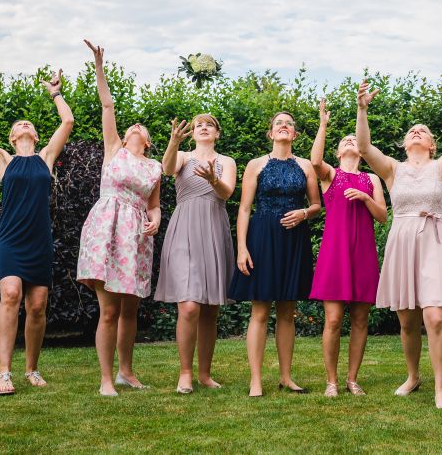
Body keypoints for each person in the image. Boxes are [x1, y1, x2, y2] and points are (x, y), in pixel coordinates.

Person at [356, 78, 442, 409]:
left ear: (432, 144)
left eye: (423, 131)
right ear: (404, 144)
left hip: (434, 242)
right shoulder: (392, 169)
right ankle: (413, 376)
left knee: (435, 316)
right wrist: (362, 110)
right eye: (412, 131)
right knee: (408, 321)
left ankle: (441, 387)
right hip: (403, 242)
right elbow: (364, 148)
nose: (417, 132)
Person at [0, 70, 73, 396]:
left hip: (39, 241)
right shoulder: (4, 160)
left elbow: (67, 122)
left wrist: (55, 94)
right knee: (10, 294)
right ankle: (3, 373)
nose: (24, 125)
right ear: (12, 137)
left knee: (37, 305)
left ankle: (31, 369)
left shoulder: (46, 158)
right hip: (10, 240)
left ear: (36, 136)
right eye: (18, 125)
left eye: (29, 124)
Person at [76, 40, 163, 397]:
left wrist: (155, 219)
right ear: (125, 137)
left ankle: (126, 371)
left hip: (137, 235)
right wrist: (99, 67)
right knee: (109, 310)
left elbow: (154, 204)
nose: (135, 127)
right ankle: (106, 379)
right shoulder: (114, 150)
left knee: (130, 310)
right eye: (131, 127)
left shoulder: (155, 167)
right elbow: (108, 105)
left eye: (141, 128)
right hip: (108, 229)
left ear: (148, 141)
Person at [228, 112, 322, 397]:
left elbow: (316, 205)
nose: (284, 125)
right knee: (259, 309)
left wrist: (304, 213)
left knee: (287, 311)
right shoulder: (256, 164)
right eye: (279, 123)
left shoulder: (305, 165)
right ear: (271, 133)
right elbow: (244, 208)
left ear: (294, 134)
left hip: (294, 239)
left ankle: (286, 377)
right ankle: (255, 380)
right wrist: (241, 248)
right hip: (262, 237)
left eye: (289, 124)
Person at [309, 98, 387, 397]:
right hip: (335, 252)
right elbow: (315, 162)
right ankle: (331, 380)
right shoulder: (331, 175)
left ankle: (352, 379)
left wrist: (366, 198)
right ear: (338, 152)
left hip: (363, 252)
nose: (351, 141)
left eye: (354, 138)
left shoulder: (371, 178)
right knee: (332, 319)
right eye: (345, 140)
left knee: (360, 319)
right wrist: (323, 125)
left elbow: (382, 217)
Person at [155, 114, 237, 394]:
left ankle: (204, 374)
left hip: (214, 228)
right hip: (185, 228)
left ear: (217, 133)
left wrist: (213, 179)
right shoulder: (183, 156)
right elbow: (167, 169)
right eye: (198, 124)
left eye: (209, 124)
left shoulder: (226, 161)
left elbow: (226, 193)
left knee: (210, 309)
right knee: (189, 306)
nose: (203, 127)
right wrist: (173, 142)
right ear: (192, 133)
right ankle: (185, 373)